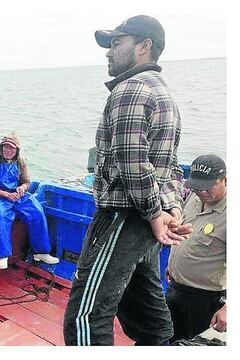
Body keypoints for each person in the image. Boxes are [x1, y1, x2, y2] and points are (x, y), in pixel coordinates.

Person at [62, 15, 193, 346]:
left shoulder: (131, 89)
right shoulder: (163, 93)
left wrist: (152, 214)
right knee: (148, 315)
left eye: (116, 43)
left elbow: (132, 163)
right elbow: (171, 166)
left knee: (85, 317)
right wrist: (171, 208)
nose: (108, 52)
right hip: (146, 222)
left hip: (123, 216)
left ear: (144, 46)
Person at [166, 155, 227, 342]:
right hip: (175, 288)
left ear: (225, 180)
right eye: (197, 186)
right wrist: (174, 265)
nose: (202, 191)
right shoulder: (195, 195)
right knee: (171, 338)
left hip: (205, 299)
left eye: (208, 186)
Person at [0, 132, 59, 269]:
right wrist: (6, 195)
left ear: (17, 150)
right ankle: (3, 255)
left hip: (16, 195)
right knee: (1, 215)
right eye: (5, 147)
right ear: (1, 148)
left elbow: (26, 182)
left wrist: (22, 188)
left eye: (12, 148)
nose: (8, 150)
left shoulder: (21, 162)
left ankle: (40, 252)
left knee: (36, 210)